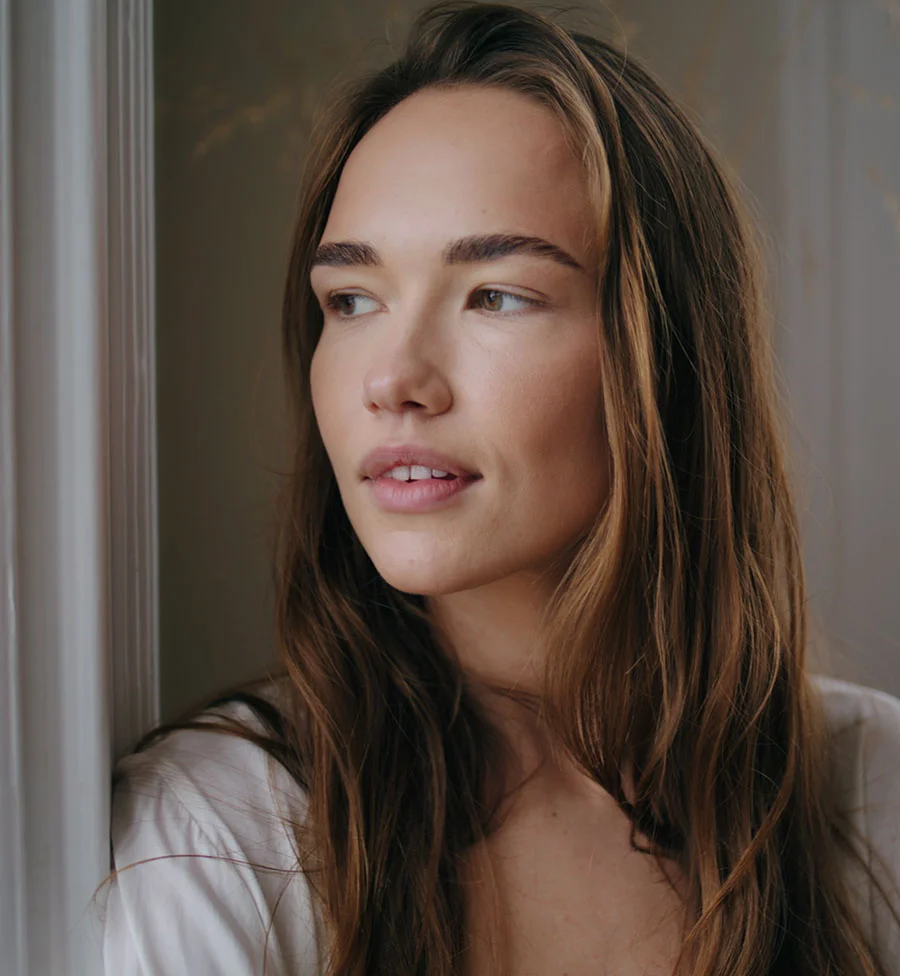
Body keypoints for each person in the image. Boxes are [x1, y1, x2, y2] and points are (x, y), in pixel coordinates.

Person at [99, 2, 900, 974]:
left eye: (497, 295)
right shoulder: (220, 840)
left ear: (667, 359)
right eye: (351, 300)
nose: (391, 378)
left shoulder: (871, 793)